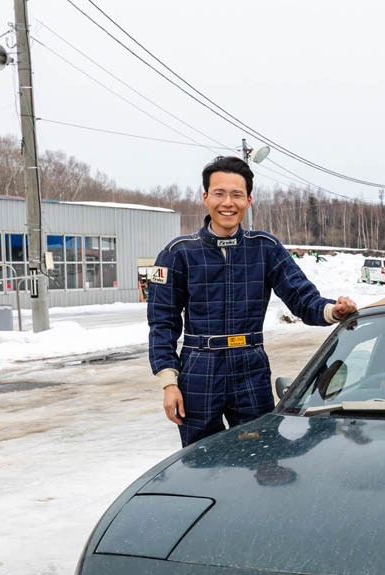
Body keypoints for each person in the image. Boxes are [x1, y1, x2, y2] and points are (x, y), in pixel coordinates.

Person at [148, 155, 357, 447]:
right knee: (200, 457)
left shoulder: (265, 248)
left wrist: (333, 310)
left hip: (251, 366)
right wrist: (169, 384)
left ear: (248, 200)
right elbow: (163, 322)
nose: (228, 203)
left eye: (236, 195)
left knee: (259, 450)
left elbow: (301, 297)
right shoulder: (178, 253)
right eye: (219, 193)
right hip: (198, 368)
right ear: (206, 197)